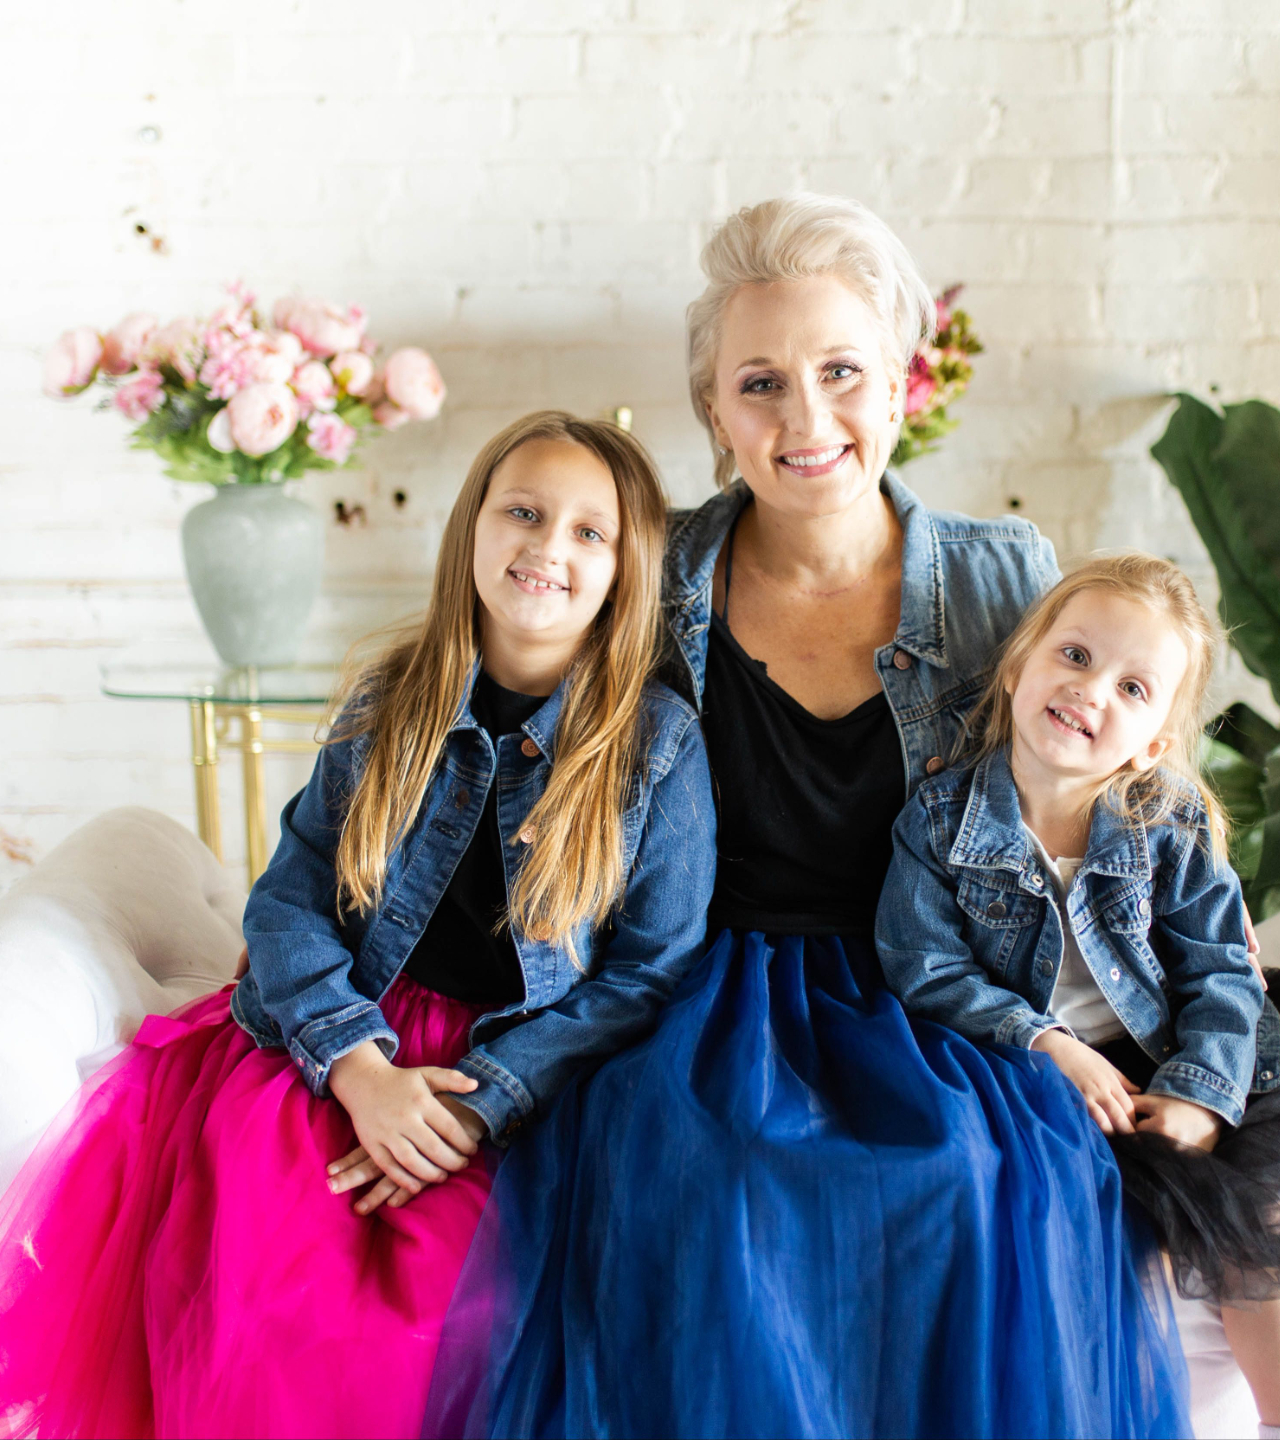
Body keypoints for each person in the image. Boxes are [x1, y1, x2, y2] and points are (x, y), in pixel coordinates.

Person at [426, 196, 1188, 1439]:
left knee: (972, 1173)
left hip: (929, 980)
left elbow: (1104, 767)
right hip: (698, 983)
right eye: (760, 385)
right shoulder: (651, 567)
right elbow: (511, 729)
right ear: (712, 411)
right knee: (700, 1177)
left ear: (897, 382)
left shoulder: (1001, 572)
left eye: (839, 373)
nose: (804, 420)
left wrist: (1193, 906)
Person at [0, 410, 716, 1439]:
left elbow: (648, 972)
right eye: (522, 511)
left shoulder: (656, 745)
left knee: (460, 1310)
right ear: (472, 524)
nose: (546, 546)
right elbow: (289, 899)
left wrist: (481, 1105)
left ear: (625, 570)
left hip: (519, 1073)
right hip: (348, 1036)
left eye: (587, 531)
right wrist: (358, 1069)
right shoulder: (392, 698)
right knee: (275, 1283)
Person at [877, 553, 1280, 1440]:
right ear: (1017, 666)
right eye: (1074, 655)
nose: (1089, 690)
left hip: (1191, 1045)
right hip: (1042, 1063)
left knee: (1261, 1199)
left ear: (1153, 743)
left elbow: (1219, 973)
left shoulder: (1163, 820)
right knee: (1093, 1212)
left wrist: (1199, 1095)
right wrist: (1044, 1042)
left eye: (1133, 689)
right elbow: (924, 967)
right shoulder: (937, 822)